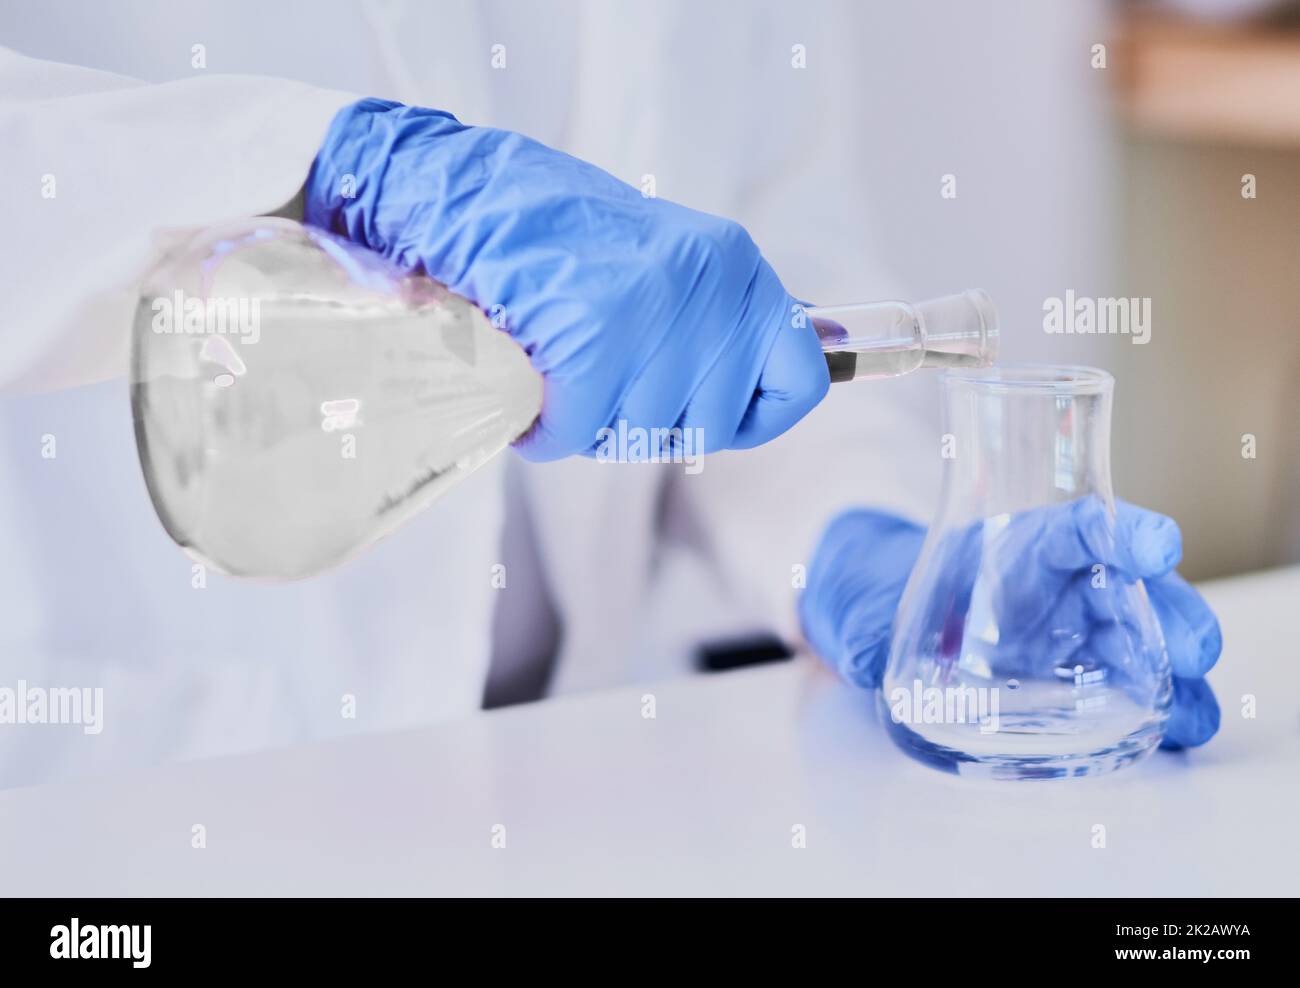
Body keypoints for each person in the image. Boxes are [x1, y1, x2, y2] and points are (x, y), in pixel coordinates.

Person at [0, 1, 1217, 786]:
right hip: (137, 781)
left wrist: (866, 540)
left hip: (545, 775)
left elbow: (759, 270)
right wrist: (330, 169)